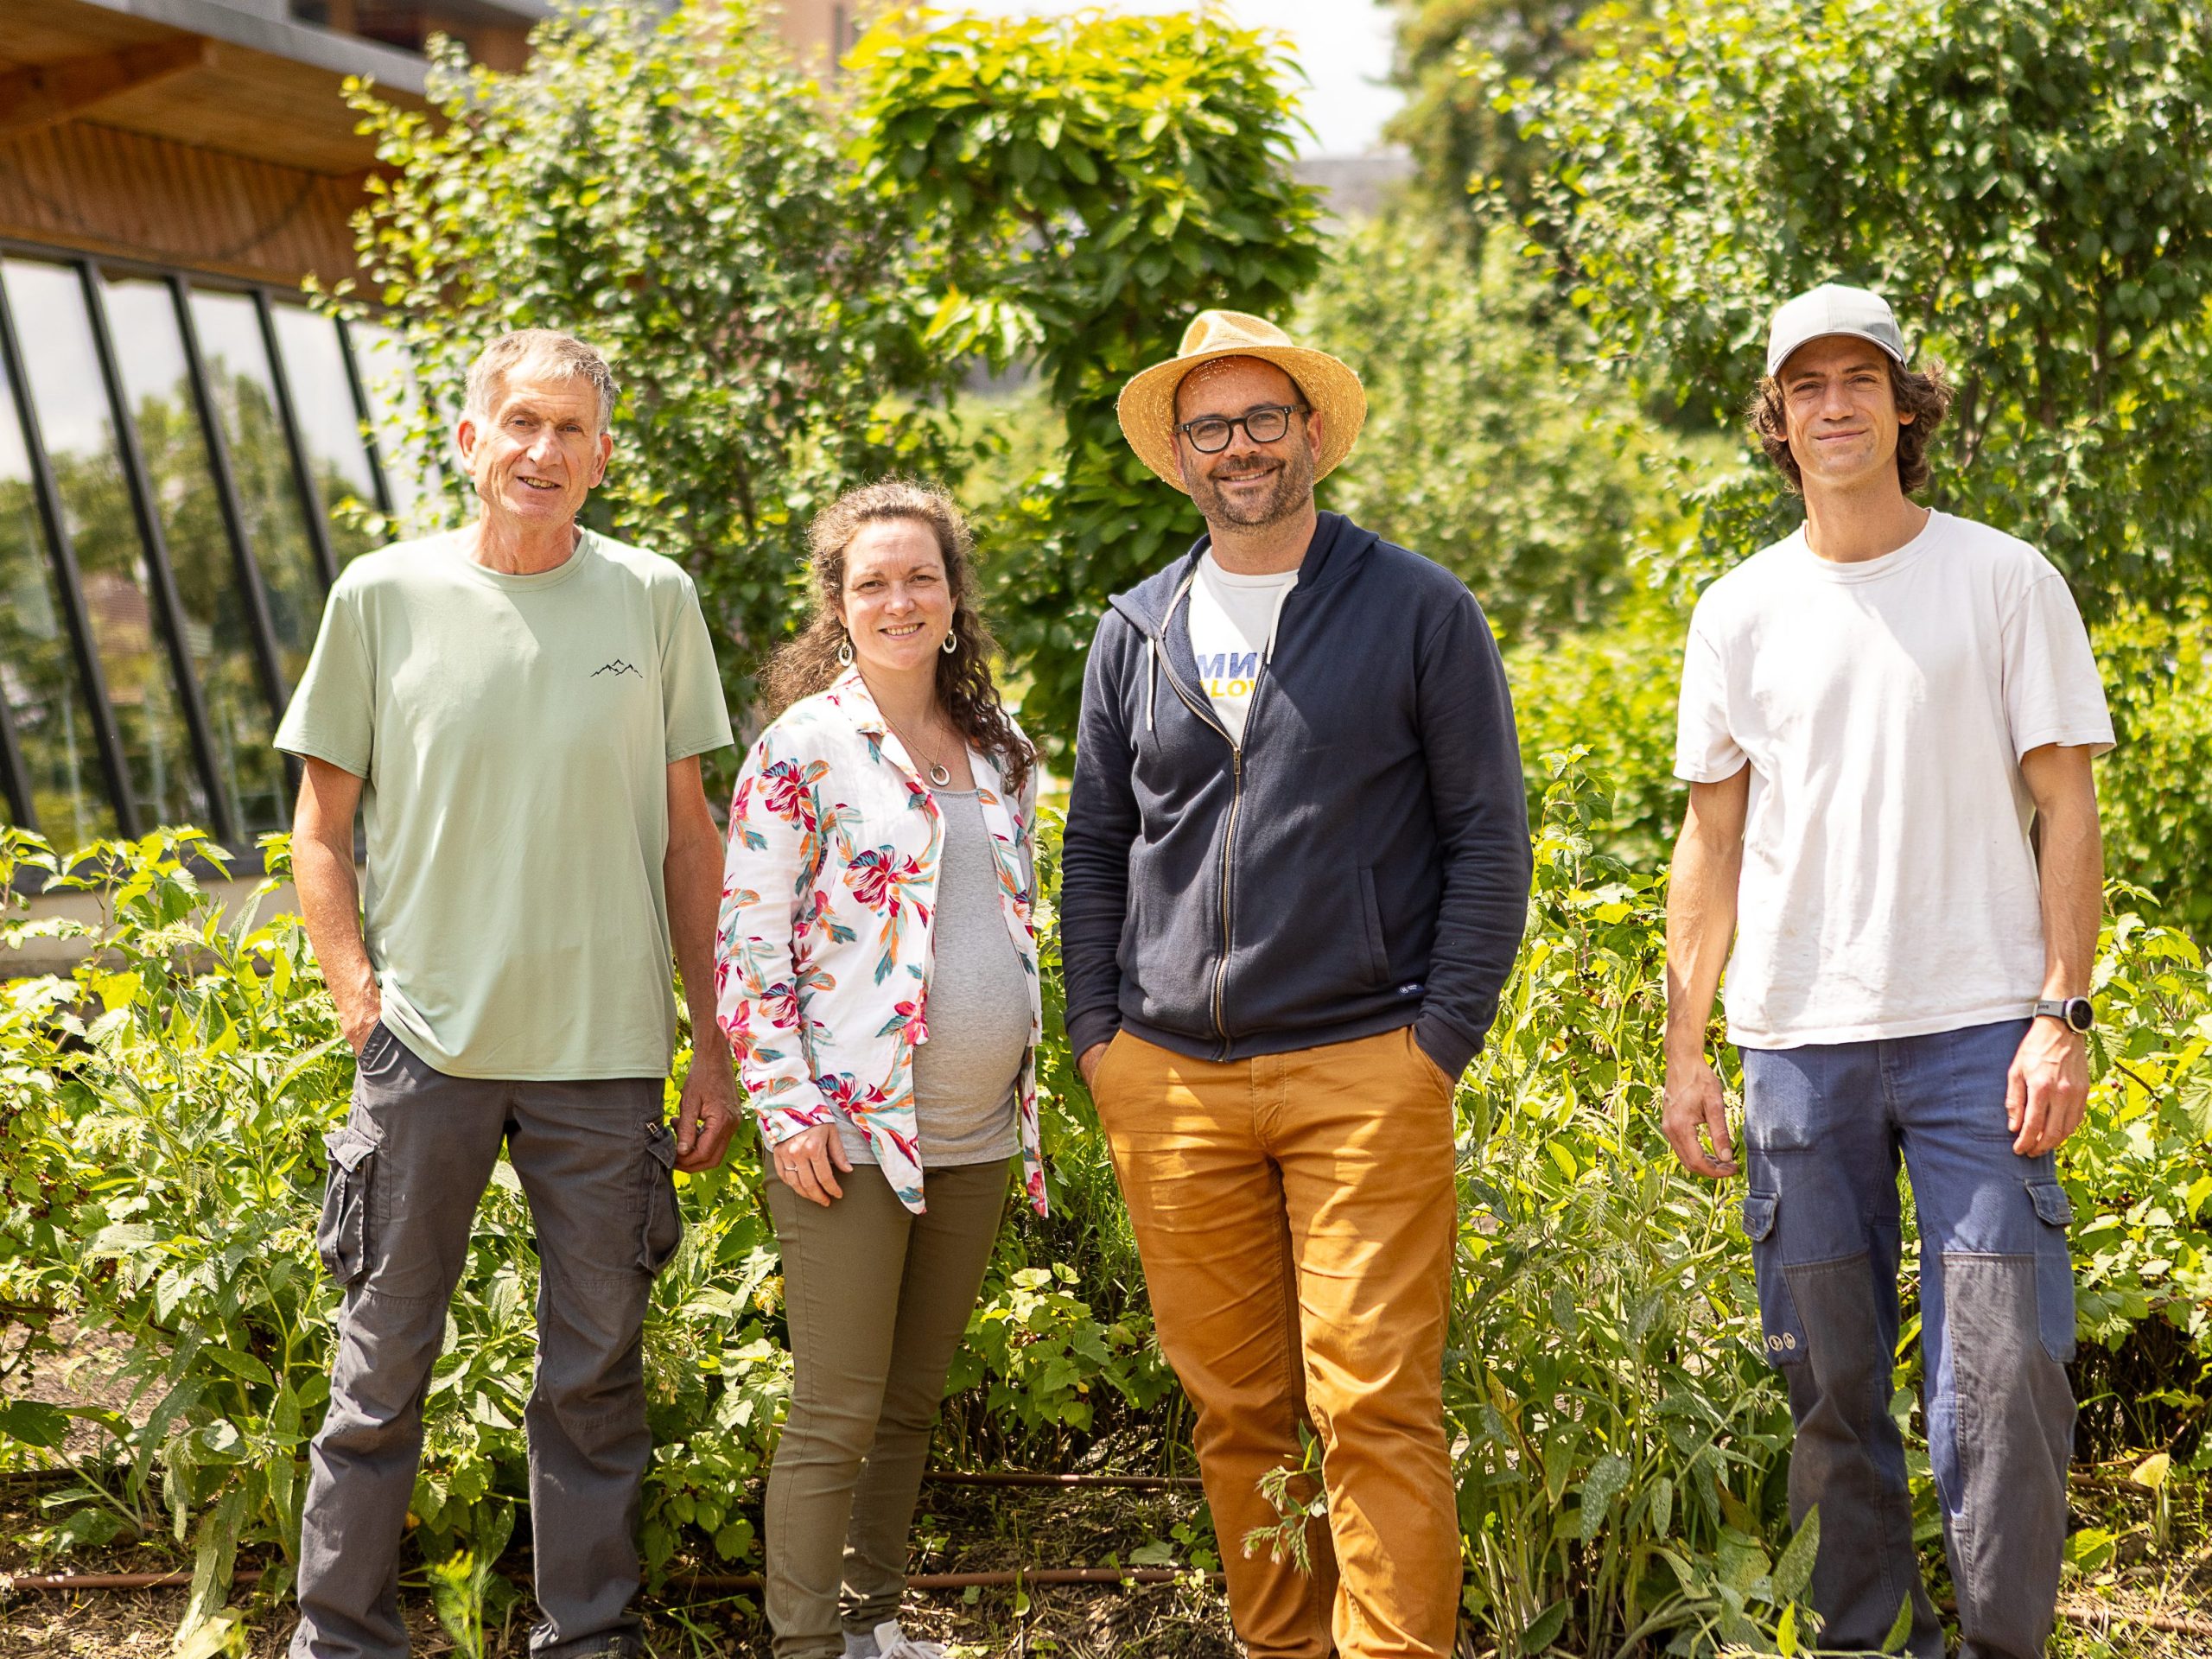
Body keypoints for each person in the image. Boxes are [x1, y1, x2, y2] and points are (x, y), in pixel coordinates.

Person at [1059, 311, 1532, 1659]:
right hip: (1170, 1084)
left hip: (1364, 1067)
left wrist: (1433, 1043)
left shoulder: (1418, 609)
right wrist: (1100, 1037)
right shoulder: (1135, 628)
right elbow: (1098, 845)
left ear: (1313, 434)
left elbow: (1488, 839)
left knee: (1375, 1406)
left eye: (1265, 420)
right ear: (1181, 455)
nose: (1240, 447)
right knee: (1238, 1414)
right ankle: (1282, 1647)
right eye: (1210, 428)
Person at [1662, 283, 2111, 1659]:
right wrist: (1687, 1052)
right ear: (1778, 421)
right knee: (1827, 1383)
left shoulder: (2002, 577)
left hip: (1983, 1035)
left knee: (2006, 1376)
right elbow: (1710, 835)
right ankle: (1868, 1642)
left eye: (1863, 379)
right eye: (1808, 386)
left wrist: (2061, 1013)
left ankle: (2002, 1648)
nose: (1836, 404)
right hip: (1798, 1042)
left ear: (1908, 406)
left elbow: (2069, 809)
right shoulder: (1736, 610)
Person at [277, 329, 740, 1659]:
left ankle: (586, 1641)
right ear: (472, 440)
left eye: (573, 431)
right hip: (424, 1049)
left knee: (595, 1381)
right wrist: (359, 994)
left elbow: (687, 841)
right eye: (522, 425)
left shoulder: (654, 597)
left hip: (605, 1055)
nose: (546, 452)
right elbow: (321, 827)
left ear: (603, 454)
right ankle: (340, 1640)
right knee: (378, 1374)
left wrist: (711, 1045)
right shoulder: (381, 595)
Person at [715, 480, 1046, 1659]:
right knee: (836, 1410)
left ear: (954, 599)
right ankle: (806, 1647)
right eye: (872, 582)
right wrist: (787, 1109)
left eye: (920, 577)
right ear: (838, 609)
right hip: (851, 1137)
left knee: (909, 1403)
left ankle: (873, 1629)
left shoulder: (1003, 754)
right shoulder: (802, 750)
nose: (898, 598)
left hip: (980, 1132)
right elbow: (747, 948)